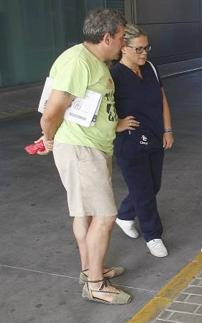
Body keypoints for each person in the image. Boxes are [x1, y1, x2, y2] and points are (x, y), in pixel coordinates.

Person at [37, 9, 131, 304]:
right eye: (120, 38)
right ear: (106, 38)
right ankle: (95, 285)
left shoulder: (90, 60)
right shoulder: (78, 62)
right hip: (80, 149)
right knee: (106, 215)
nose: (123, 44)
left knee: (85, 213)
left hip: (92, 147)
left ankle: (91, 268)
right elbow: (51, 111)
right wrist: (48, 138)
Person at [111, 24, 174, 257]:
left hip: (155, 136)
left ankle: (125, 215)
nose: (144, 53)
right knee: (144, 190)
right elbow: (97, 110)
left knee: (153, 185)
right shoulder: (113, 76)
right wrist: (117, 124)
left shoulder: (150, 68)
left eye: (146, 47)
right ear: (123, 48)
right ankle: (153, 235)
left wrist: (167, 129)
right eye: (138, 49)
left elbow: (162, 100)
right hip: (129, 142)